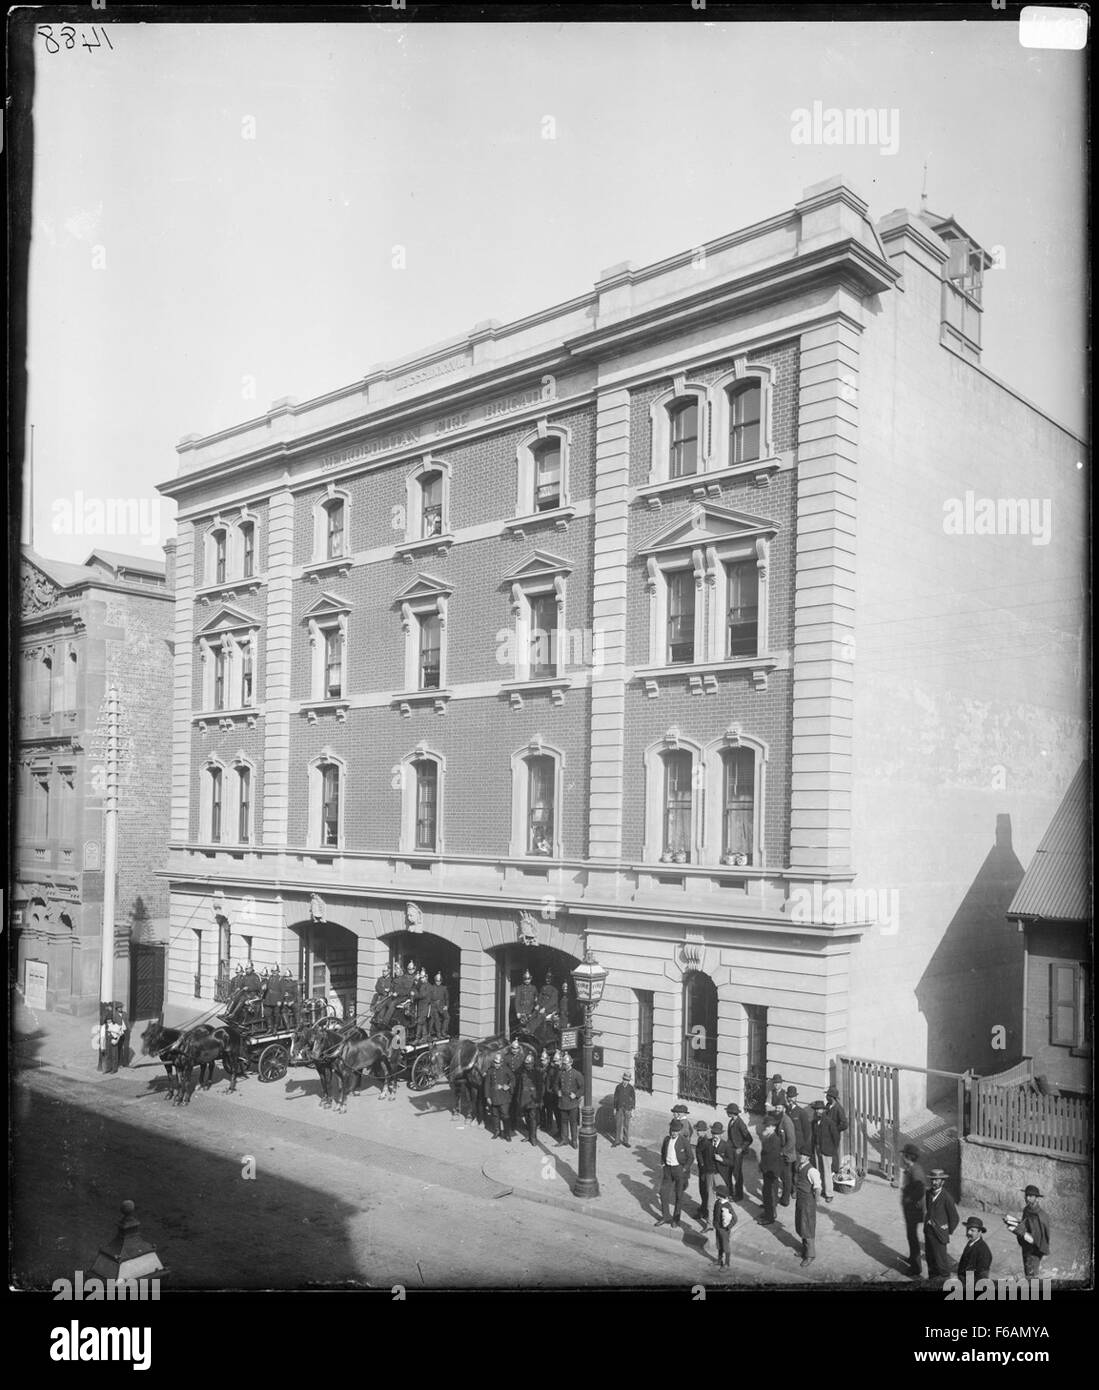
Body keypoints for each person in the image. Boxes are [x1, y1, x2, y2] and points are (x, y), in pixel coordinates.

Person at [923, 1169, 959, 1283]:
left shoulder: (947, 1198)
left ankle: (945, 1281)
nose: (934, 1183)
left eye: (937, 1180)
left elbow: (954, 1218)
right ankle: (932, 1280)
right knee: (930, 1258)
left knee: (941, 1261)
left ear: (942, 1182)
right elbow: (929, 1209)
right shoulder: (928, 1193)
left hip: (939, 1234)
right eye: (932, 1180)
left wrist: (946, 1229)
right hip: (928, 1231)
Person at [655, 1120, 693, 1228]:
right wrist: (663, 1163)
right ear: (669, 1130)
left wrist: (685, 1168)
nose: (674, 1133)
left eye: (676, 1131)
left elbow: (691, 1157)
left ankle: (676, 1219)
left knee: (678, 1195)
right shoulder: (666, 1140)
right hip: (668, 1170)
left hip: (679, 1170)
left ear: (679, 1131)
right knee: (663, 1193)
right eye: (672, 1131)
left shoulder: (684, 1141)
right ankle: (666, 1216)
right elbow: (663, 1152)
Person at [900, 1143, 927, 1278]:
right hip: (910, 1209)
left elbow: (920, 1190)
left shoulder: (915, 1171)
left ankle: (916, 1268)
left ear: (907, 1157)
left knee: (912, 1236)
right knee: (911, 1235)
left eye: (903, 1155)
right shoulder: (911, 1168)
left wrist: (909, 1200)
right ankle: (912, 1258)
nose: (901, 1157)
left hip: (913, 1211)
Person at [1013, 1185, 1051, 1278]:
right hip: (1025, 1247)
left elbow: (1040, 1238)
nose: (1027, 1198)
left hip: (1034, 1251)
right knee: (1027, 1271)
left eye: (1030, 1196)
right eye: (1026, 1195)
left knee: (1032, 1274)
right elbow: (1024, 1224)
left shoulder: (1041, 1216)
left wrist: (1024, 1233)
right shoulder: (1026, 1210)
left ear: (1037, 1198)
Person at [794, 1151, 822, 1267]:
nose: (801, 1156)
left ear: (808, 1157)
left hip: (808, 1202)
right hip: (801, 1201)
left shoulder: (812, 1171)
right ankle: (805, 1250)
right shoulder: (800, 1167)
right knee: (801, 1225)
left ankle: (810, 1255)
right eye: (800, 1154)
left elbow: (818, 1188)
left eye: (804, 1155)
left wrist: (816, 1201)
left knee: (808, 1227)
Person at [811, 1099, 839, 1203]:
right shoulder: (814, 1122)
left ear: (824, 1110)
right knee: (818, 1170)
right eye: (816, 1110)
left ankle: (829, 1193)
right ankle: (821, 1189)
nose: (818, 1111)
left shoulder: (829, 1122)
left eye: (820, 1110)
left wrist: (832, 1150)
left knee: (827, 1172)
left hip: (827, 1151)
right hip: (817, 1149)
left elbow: (836, 1138)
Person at [724, 1104, 753, 1200]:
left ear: (732, 1113)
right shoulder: (731, 1121)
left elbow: (749, 1139)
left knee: (737, 1174)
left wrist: (741, 1148)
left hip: (737, 1153)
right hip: (730, 1151)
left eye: (728, 1111)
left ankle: (739, 1195)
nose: (727, 1113)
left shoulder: (740, 1124)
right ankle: (730, 1192)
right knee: (728, 1172)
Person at [696, 1123, 722, 1231]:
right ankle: (707, 1218)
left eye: (717, 1133)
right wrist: (702, 1165)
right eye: (714, 1133)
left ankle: (713, 1221)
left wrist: (721, 1160)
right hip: (706, 1172)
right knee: (706, 1194)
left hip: (715, 1174)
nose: (698, 1132)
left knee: (715, 1197)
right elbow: (699, 1153)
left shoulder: (710, 1144)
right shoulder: (704, 1142)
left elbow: (729, 1161)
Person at [759, 1117, 785, 1224]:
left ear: (773, 1127)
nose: (766, 1128)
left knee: (770, 1194)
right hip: (767, 1170)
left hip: (771, 1171)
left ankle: (770, 1218)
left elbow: (770, 1156)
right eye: (765, 1126)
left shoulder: (774, 1139)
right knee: (766, 1193)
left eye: (768, 1126)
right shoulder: (769, 1137)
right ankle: (768, 1212)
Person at [488, 1050, 516, 1142]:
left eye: (498, 1063)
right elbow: (487, 1084)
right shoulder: (490, 1070)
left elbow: (513, 1079)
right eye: (495, 1063)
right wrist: (487, 1097)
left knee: (505, 1116)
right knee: (495, 1115)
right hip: (493, 1096)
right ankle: (497, 1131)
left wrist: (507, 1086)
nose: (496, 1064)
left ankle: (507, 1134)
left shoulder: (505, 1069)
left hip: (504, 1097)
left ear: (501, 1062)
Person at [556, 1052, 582, 1148]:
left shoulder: (576, 1074)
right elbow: (556, 1085)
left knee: (573, 1123)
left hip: (572, 1103)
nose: (564, 1066)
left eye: (566, 1064)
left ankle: (574, 1140)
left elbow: (582, 1087)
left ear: (570, 1063)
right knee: (563, 1122)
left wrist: (576, 1095)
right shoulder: (560, 1073)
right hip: (563, 1101)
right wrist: (557, 1091)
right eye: (563, 1064)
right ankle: (564, 1139)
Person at [774, 1101, 797, 1207]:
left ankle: (785, 1199)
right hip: (781, 1153)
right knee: (784, 1177)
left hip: (787, 1155)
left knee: (786, 1177)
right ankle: (784, 1196)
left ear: (784, 1108)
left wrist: (783, 1152)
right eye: (776, 1107)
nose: (777, 1109)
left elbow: (791, 1140)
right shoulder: (779, 1119)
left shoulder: (786, 1121)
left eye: (779, 1107)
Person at [957, 1217, 993, 1282]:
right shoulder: (971, 1242)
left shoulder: (983, 1251)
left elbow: (981, 1276)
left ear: (980, 1232)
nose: (968, 1232)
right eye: (967, 1229)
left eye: (972, 1230)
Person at [516, 1054, 541, 1145]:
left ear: (533, 1063)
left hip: (532, 1099)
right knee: (527, 1118)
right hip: (524, 1099)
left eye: (529, 1064)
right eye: (526, 1064)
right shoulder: (522, 1073)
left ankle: (533, 1138)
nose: (527, 1065)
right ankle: (529, 1136)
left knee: (533, 1118)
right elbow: (520, 1087)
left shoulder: (537, 1073)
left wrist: (538, 1100)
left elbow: (540, 1087)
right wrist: (519, 1098)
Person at [712, 1189, 738, 1270]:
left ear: (720, 1195)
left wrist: (728, 1227)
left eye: (717, 1193)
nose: (716, 1194)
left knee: (725, 1246)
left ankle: (727, 1263)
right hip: (718, 1227)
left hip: (724, 1229)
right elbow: (715, 1214)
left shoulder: (726, 1205)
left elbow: (735, 1218)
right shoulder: (717, 1202)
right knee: (719, 1244)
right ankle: (719, 1260)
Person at [613, 1072, 636, 1147]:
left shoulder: (630, 1088)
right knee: (618, 1124)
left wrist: (632, 1110)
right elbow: (615, 1098)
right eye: (624, 1079)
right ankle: (617, 1141)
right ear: (622, 1079)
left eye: (627, 1080)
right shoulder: (618, 1087)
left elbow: (633, 1099)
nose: (625, 1081)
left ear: (629, 1081)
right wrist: (614, 1108)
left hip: (627, 1109)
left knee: (626, 1125)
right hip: (619, 1108)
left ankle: (625, 1141)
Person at [102, 1007, 127, 1074]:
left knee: (114, 1056)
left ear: (112, 1020)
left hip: (114, 1042)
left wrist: (117, 1039)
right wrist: (103, 1046)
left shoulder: (115, 1025)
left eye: (109, 1019)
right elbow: (103, 1037)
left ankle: (114, 1069)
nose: (108, 1021)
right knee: (108, 1056)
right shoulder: (105, 1027)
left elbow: (121, 1032)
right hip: (107, 1043)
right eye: (107, 1020)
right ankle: (108, 1068)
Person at [543, 1050, 561, 1138]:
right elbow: (548, 1082)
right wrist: (549, 1090)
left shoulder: (563, 1070)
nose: (555, 1063)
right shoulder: (551, 1070)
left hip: (561, 1096)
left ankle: (562, 1132)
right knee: (557, 1114)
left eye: (557, 1061)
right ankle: (558, 1129)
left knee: (562, 1116)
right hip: (553, 1095)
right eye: (554, 1061)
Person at [413, 969, 432, 1044]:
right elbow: (415, 988)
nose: (421, 979)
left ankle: (417, 1038)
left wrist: (415, 995)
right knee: (423, 1023)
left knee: (419, 1022)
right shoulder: (421, 984)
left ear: (426, 977)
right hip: (420, 1006)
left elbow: (422, 995)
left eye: (423, 977)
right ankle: (424, 1037)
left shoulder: (428, 986)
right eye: (420, 978)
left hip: (425, 1007)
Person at [429, 971, 449, 1040]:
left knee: (447, 1017)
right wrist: (432, 1005)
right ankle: (438, 1034)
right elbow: (429, 998)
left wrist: (446, 1005)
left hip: (442, 1006)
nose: (438, 982)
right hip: (434, 1006)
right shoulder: (431, 988)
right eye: (437, 981)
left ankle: (443, 1031)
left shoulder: (444, 988)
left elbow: (446, 998)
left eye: (439, 981)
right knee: (437, 1020)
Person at [263, 968, 284, 1032]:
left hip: (277, 998)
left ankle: (275, 1028)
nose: (274, 972)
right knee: (267, 1013)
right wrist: (264, 987)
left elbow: (283, 991)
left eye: (275, 971)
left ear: (278, 971)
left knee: (276, 1014)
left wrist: (280, 1000)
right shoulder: (270, 978)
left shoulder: (280, 979)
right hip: (269, 998)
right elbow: (267, 986)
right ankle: (270, 1027)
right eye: (273, 971)